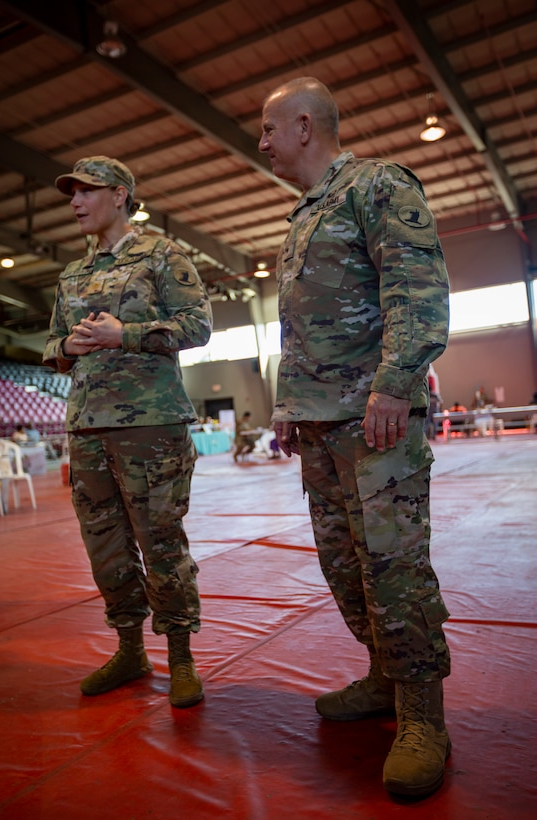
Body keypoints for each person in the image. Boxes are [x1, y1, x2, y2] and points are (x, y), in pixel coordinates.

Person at [259, 78, 451, 798]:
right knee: (344, 568)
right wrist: (287, 403)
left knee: (393, 569)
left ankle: (422, 715)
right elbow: (300, 327)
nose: (262, 142)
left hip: (376, 419)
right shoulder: (304, 213)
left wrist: (393, 384)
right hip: (318, 422)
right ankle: (381, 676)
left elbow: (417, 292)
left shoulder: (376, 185)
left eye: (268, 129)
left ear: (303, 125)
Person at [43, 156, 212, 708]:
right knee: (106, 547)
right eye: (72, 193)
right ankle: (130, 649)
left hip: (150, 425)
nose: (75, 202)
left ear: (119, 195)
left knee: (160, 542)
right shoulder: (72, 274)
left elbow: (199, 326)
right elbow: (52, 346)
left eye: (86, 191)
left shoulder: (162, 254)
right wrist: (67, 347)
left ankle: (181, 657)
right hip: (88, 427)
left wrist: (127, 334)